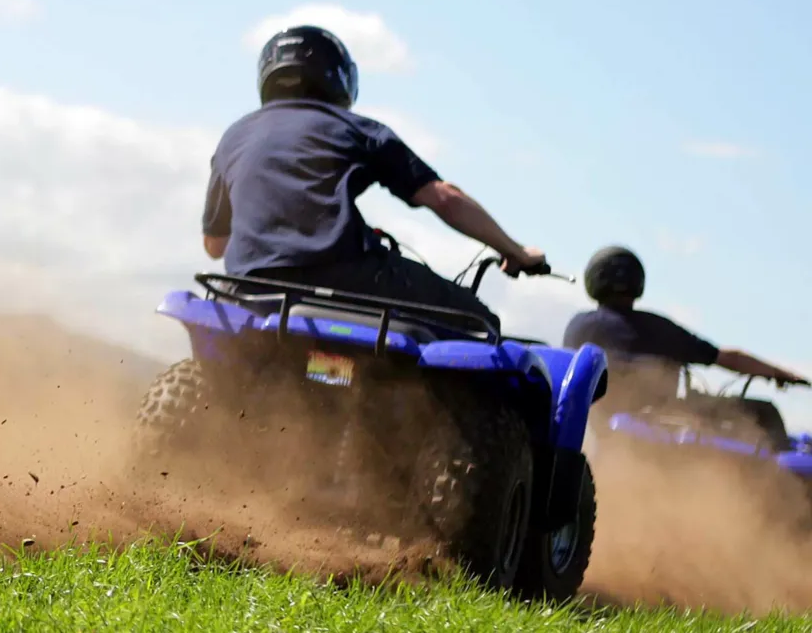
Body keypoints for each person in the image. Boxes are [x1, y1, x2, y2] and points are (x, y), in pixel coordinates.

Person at [200, 24, 546, 333]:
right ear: (339, 76)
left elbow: (215, 245)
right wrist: (514, 251)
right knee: (480, 324)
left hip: (250, 288)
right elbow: (444, 199)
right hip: (349, 279)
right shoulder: (356, 128)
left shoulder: (235, 137)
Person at [563, 245, 809, 408]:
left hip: (597, 425)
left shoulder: (577, 326)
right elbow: (727, 358)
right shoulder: (659, 328)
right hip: (658, 422)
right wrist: (778, 373)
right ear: (638, 281)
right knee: (763, 411)